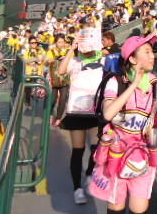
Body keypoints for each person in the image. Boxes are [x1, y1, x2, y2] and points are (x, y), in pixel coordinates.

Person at [95, 35, 157, 214]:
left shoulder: (156, 85)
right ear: (132, 59)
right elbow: (108, 113)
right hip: (116, 153)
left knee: (139, 208)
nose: (152, 56)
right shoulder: (115, 82)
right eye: (146, 52)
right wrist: (133, 85)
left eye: (152, 52)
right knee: (116, 206)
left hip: (143, 155)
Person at [58, 37, 106, 205]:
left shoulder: (103, 60)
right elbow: (61, 71)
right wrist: (71, 49)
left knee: (95, 148)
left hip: (94, 111)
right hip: (77, 112)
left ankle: (89, 175)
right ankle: (77, 188)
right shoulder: (75, 61)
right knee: (78, 150)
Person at [46, 34, 70, 127]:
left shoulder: (68, 51)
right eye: (59, 42)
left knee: (63, 99)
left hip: (65, 79)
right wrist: (52, 59)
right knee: (53, 100)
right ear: (55, 43)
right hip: (54, 79)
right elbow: (46, 62)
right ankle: (50, 114)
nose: (61, 44)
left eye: (63, 42)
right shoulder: (51, 51)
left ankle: (59, 118)